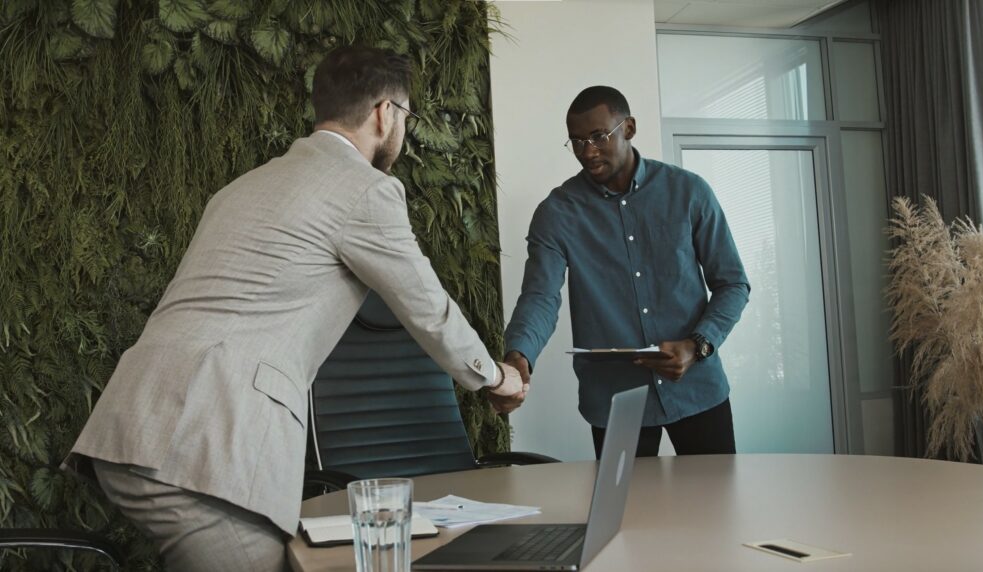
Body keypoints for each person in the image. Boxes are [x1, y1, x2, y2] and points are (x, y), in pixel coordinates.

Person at [61, 45, 526, 572]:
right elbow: (427, 307)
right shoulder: (364, 190)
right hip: (204, 443)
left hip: (139, 424)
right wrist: (495, 378)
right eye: (406, 116)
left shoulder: (239, 189)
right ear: (384, 113)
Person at [503, 86, 749, 459]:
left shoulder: (689, 192)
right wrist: (519, 356)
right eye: (577, 140)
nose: (587, 151)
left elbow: (732, 284)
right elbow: (541, 296)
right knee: (626, 514)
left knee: (716, 510)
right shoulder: (557, 213)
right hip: (614, 399)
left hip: (698, 389)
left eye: (599, 136)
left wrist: (697, 345)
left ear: (629, 128)